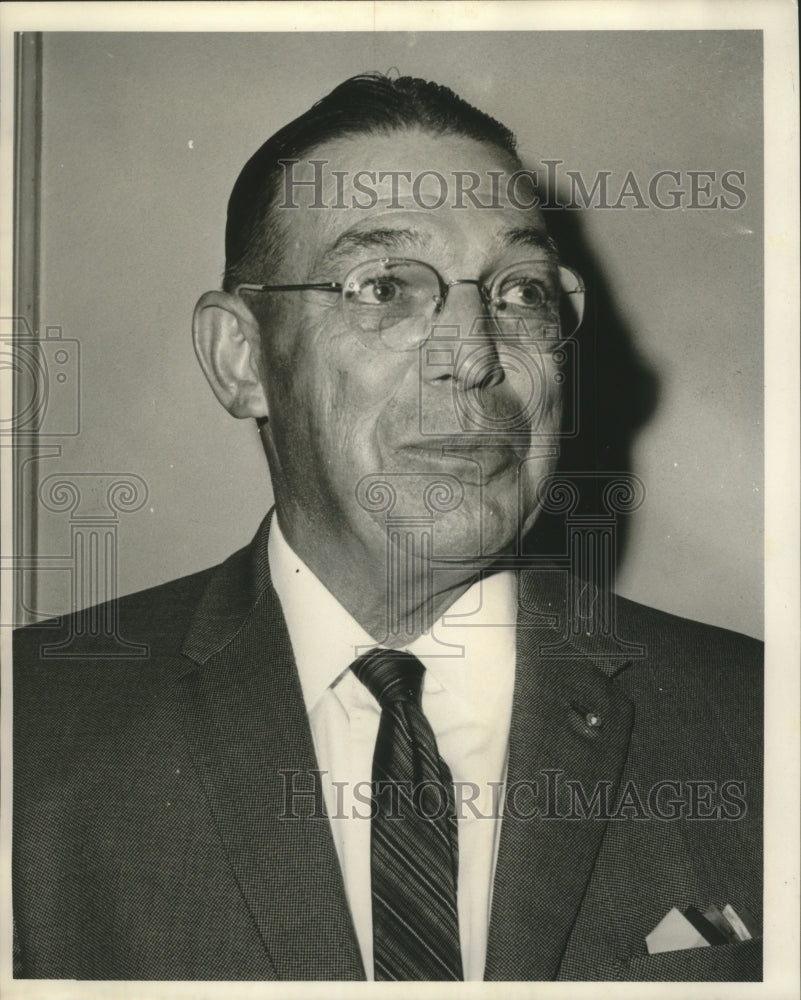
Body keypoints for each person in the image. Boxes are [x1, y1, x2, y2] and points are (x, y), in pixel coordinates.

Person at [13, 73, 762, 982]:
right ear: (241, 358)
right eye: (383, 286)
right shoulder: (32, 731)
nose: (476, 357)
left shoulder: (757, 721)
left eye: (521, 291)